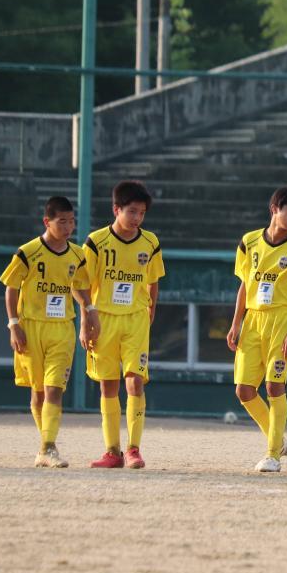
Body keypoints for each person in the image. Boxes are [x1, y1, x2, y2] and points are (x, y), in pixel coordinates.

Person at [0, 196, 98, 468]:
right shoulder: (28, 252)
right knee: (38, 393)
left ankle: (48, 447)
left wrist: (90, 310)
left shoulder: (77, 255)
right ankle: (46, 445)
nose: (68, 227)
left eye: (72, 222)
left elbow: (79, 286)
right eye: (62, 222)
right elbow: (11, 288)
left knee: (55, 389)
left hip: (62, 328)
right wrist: (13, 324)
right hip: (31, 326)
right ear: (47, 222)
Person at [227, 187, 287, 473]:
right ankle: (278, 440)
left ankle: (272, 455)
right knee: (244, 390)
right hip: (253, 319)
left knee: (274, 385)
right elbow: (245, 285)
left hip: (282, 319)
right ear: (274, 209)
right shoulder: (249, 241)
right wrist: (236, 322)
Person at [83, 181, 165, 469]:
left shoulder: (150, 242)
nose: (137, 218)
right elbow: (83, 285)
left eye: (142, 213)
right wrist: (86, 319)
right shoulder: (96, 242)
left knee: (134, 380)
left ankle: (133, 449)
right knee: (108, 384)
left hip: (135, 319)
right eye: (132, 212)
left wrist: (150, 309)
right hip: (103, 318)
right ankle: (112, 451)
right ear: (116, 209)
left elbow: (153, 280)